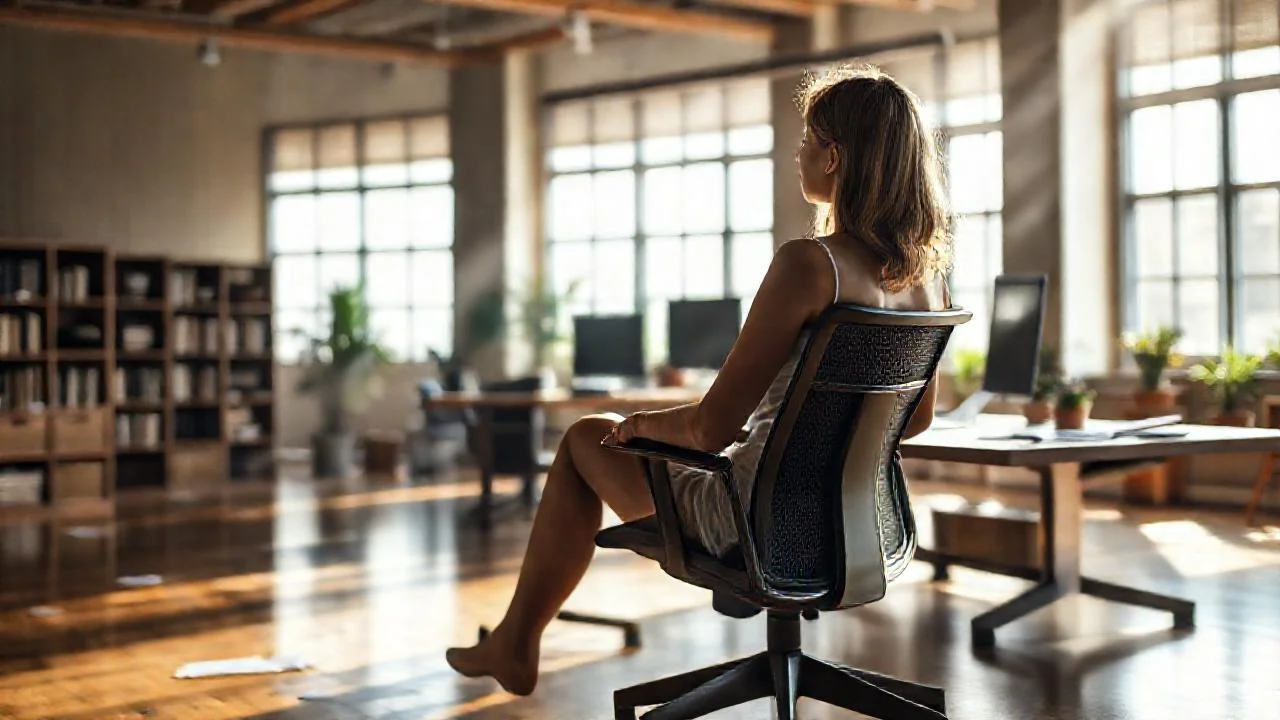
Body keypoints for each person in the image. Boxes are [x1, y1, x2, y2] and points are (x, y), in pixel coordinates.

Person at [445, 65, 953, 696]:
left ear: (836, 157)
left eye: (807, 138)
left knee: (586, 437)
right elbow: (919, 418)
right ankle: (515, 641)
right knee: (661, 444)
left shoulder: (809, 265)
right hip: (863, 530)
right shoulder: (927, 283)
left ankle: (516, 642)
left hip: (751, 522)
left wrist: (639, 427)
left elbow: (709, 429)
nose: (798, 150)